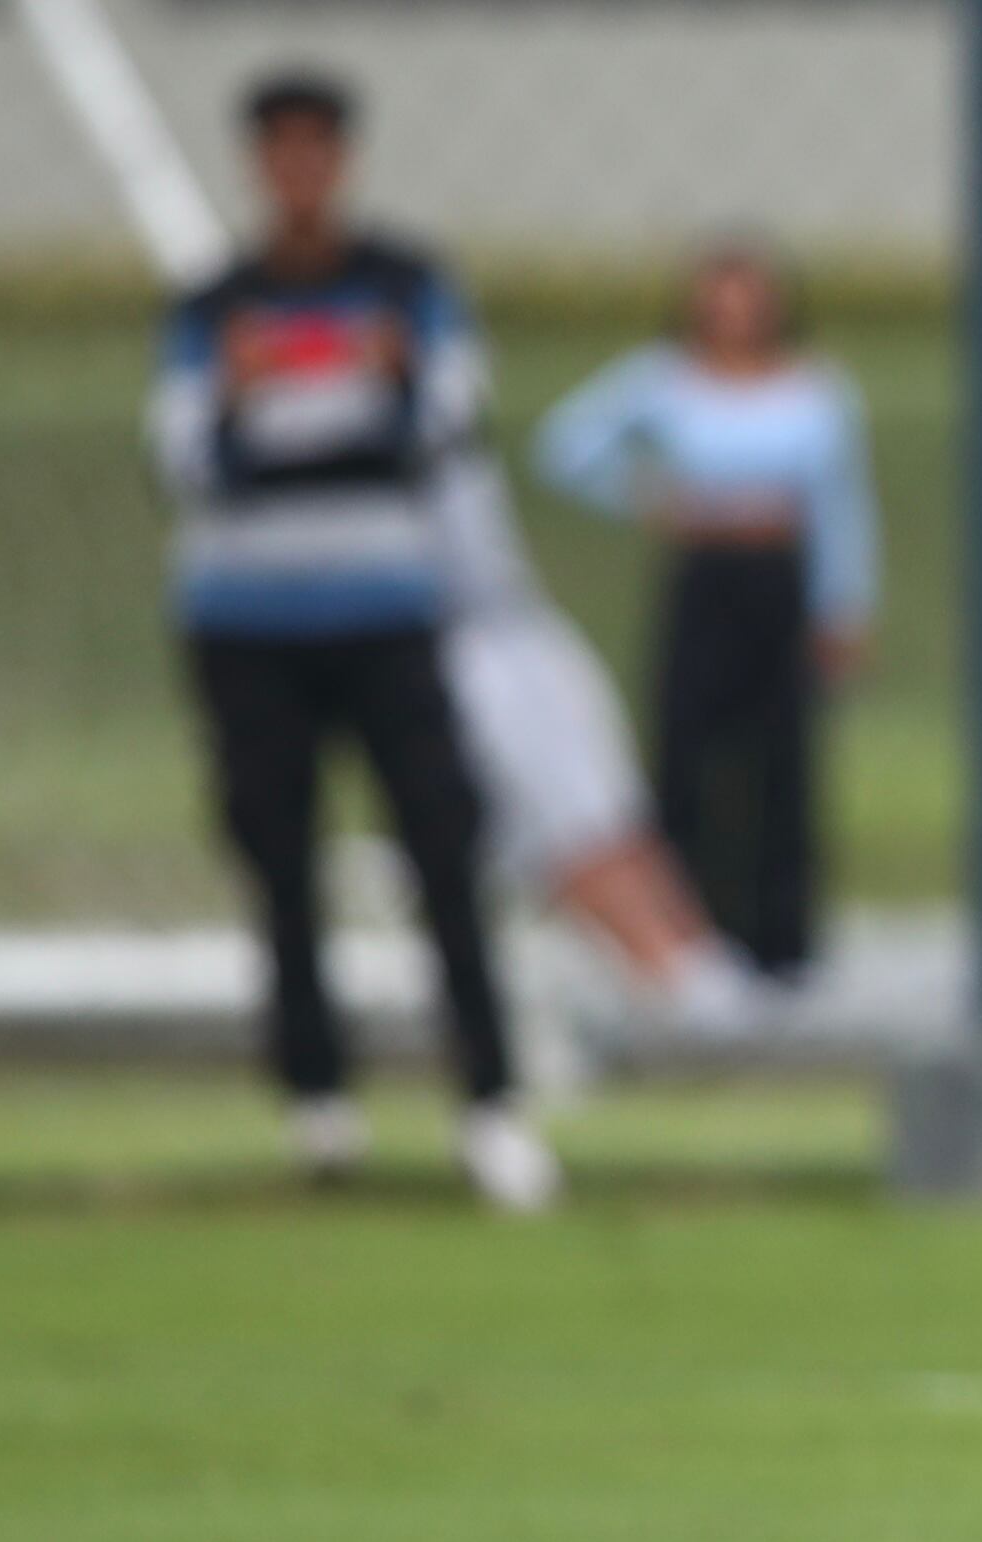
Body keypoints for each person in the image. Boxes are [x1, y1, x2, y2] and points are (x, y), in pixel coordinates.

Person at [149, 69, 558, 1211]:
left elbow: (451, 426)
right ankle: (318, 1098)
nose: (298, 170)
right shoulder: (213, 304)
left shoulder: (406, 287)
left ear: (342, 159)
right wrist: (241, 400)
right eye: (277, 150)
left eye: (315, 148)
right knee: (278, 859)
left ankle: (490, 1100)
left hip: (383, 610)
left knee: (442, 844)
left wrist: (391, 381)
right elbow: (182, 460)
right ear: (256, 165)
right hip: (247, 621)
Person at [531, 242, 878, 981]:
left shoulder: (815, 388)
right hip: (706, 579)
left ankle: (781, 942)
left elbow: (841, 503)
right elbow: (565, 445)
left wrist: (843, 603)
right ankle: (684, 937)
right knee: (685, 750)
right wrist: (650, 496)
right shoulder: (665, 380)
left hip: (777, 581)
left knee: (784, 761)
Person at [430, 451, 758, 1032]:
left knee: (615, 817)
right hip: (442, 644)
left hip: (516, 626)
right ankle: (676, 984)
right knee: (562, 828)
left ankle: (696, 970)